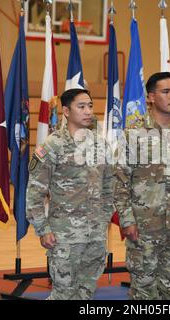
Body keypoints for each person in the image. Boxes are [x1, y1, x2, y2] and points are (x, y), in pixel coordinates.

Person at [114, 72, 170, 300]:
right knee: (144, 291)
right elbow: (120, 181)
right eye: (165, 92)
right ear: (151, 97)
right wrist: (127, 220)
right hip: (144, 227)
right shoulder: (133, 134)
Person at [26, 88, 114, 300]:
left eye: (90, 106)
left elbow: (109, 186)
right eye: (81, 106)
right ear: (66, 111)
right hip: (64, 237)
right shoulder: (52, 145)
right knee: (63, 294)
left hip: (95, 235)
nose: (87, 111)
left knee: (85, 293)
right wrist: (42, 229)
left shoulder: (100, 145)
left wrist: (103, 219)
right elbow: (35, 191)